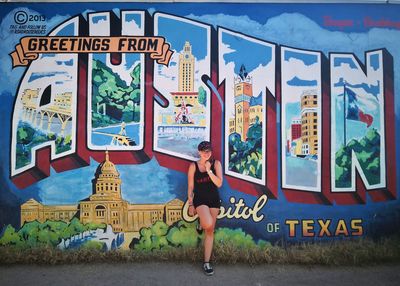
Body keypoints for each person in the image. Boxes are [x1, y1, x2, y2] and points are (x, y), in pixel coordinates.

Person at [187, 141, 223, 276]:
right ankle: (201, 221)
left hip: (213, 200)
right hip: (200, 200)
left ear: (211, 152)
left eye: (208, 151)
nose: (206, 154)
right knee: (207, 223)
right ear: (199, 152)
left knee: (210, 231)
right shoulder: (193, 166)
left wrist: (209, 170)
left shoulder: (216, 164)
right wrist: (191, 204)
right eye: (203, 151)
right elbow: (190, 186)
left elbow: (219, 183)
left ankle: (206, 263)